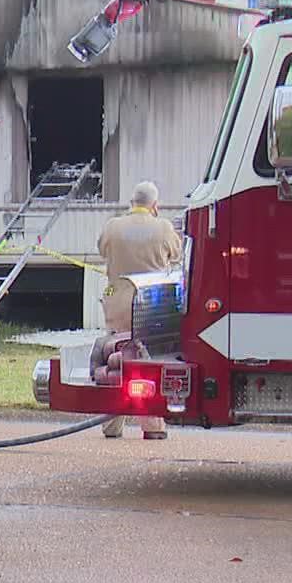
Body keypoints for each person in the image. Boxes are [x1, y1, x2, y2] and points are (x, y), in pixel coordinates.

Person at [98, 180, 184, 440]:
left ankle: (111, 425)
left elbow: (102, 250)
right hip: (148, 305)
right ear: (155, 205)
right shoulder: (163, 228)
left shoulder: (113, 226)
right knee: (145, 363)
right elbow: (177, 255)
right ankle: (152, 426)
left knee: (115, 359)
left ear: (132, 203)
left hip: (116, 302)